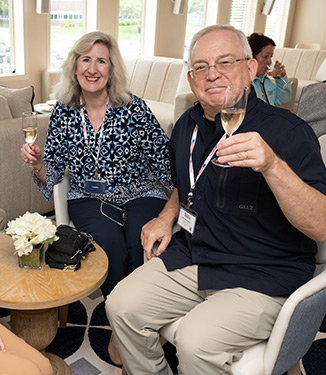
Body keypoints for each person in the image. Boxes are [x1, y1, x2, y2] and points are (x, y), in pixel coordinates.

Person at [106, 25, 326, 375]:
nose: (212, 75)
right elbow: (187, 184)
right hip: (198, 254)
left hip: (263, 272)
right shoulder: (185, 126)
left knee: (196, 341)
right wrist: (166, 215)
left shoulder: (288, 132)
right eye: (201, 67)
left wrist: (272, 166)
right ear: (191, 79)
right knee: (120, 304)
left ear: (251, 69)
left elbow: (320, 226)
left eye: (225, 62)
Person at [20, 31, 173, 365]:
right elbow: (55, 172)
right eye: (85, 59)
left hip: (138, 191)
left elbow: (163, 157)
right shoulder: (63, 112)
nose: (92, 68)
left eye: (101, 60)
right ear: (75, 67)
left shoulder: (134, 107)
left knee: (139, 242)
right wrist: (38, 163)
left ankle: (132, 321)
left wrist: (178, 202)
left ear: (111, 68)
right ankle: (124, 327)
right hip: (87, 195)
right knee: (110, 250)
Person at [248, 32, 292, 106]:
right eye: (265, 56)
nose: (269, 61)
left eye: (270, 57)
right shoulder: (246, 83)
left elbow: (283, 99)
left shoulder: (266, 81)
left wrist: (280, 78)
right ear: (252, 58)